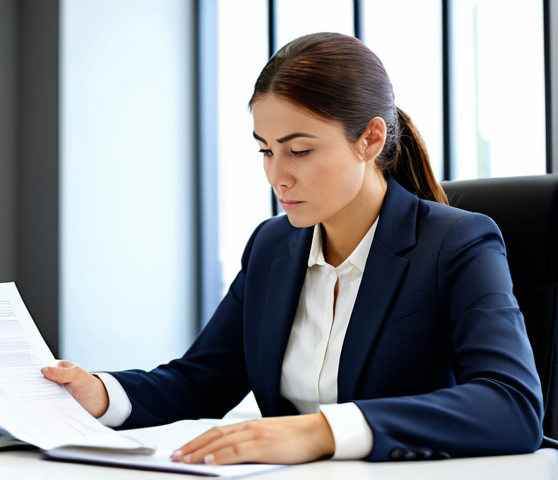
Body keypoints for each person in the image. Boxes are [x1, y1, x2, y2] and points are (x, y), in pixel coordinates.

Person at [41, 32, 543, 464]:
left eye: (300, 150)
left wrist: (318, 431)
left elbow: (512, 405)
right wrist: (103, 394)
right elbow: (202, 381)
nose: (277, 176)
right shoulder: (272, 245)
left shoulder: (457, 242)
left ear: (370, 139)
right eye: (266, 149)